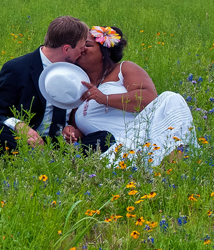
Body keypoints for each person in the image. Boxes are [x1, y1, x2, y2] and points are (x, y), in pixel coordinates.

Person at [62, 25, 195, 167]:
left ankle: (172, 166)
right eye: (79, 46)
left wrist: (105, 99)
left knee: (171, 98)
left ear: (104, 51)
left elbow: (148, 99)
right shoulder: (77, 85)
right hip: (112, 151)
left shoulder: (122, 69)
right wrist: (71, 131)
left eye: (87, 45)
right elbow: (82, 132)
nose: (82, 49)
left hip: (140, 138)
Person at [0, 16, 89, 154]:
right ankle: (35, 157)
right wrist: (19, 125)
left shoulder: (78, 71)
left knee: (105, 138)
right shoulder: (16, 68)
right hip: (30, 141)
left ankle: (54, 157)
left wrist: (71, 128)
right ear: (66, 49)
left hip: (62, 143)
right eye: (81, 48)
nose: (83, 53)